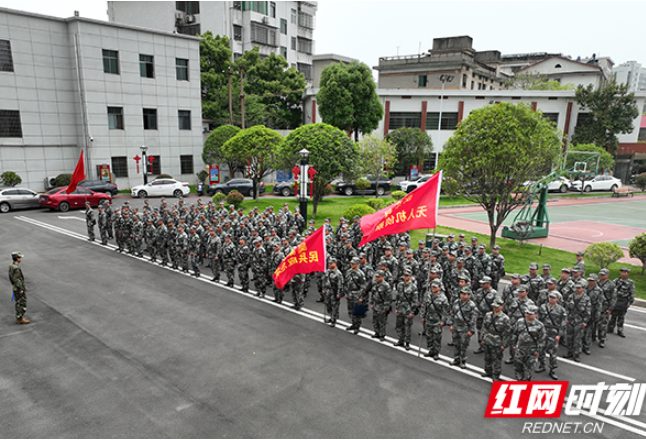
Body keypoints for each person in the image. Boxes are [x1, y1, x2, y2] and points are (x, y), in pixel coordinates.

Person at [537, 292, 567, 380]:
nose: (551, 299)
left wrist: (559, 335)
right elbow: (538, 319)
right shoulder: (543, 307)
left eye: (553, 297)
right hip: (543, 330)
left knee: (552, 352)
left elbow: (563, 323)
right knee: (541, 349)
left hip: (553, 332)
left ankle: (552, 370)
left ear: (558, 299)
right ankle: (542, 365)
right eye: (550, 297)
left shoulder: (561, 310)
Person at [512, 305, 546, 382]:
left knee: (529, 368)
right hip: (520, 348)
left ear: (535, 315)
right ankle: (520, 380)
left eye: (530, 314)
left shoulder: (539, 325)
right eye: (527, 313)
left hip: (532, 350)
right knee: (518, 366)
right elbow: (514, 334)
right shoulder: (520, 321)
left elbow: (542, 339)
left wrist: (538, 350)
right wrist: (513, 344)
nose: (528, 315)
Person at [480, 298, 510, 381]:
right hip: (488, 339)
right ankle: (488, 371)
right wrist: (482, 338)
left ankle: (496, 375)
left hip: (497, 342)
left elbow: (506, 333)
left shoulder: (505, 318)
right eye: (494, 306)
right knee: (487, 357)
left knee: (496, 359)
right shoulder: (488, 315)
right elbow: (484, 327)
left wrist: (504, 344)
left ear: (502, 307)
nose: (495, 308)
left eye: (497, 306)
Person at [421, 279, 450, 360]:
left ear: (439, 288)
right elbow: (424, 306)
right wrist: (422, 316)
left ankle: (436, 352)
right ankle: (430, 350)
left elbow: (445, 311)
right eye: (432, 286)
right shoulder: (427, 295)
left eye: (435, 287)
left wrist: (443, 321)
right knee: (429, 336)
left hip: (437, 319)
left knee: (436, 337)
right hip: (428, 318)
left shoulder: (443, 298)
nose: (433, 288)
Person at [449, 287, 478, 369]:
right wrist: (451, 324)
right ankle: (456, 358)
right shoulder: (456, 302)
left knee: (463, 345)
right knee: (456, 344)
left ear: (469, 295)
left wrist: (471, 330)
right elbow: (453, 314)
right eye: (462, 294)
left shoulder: (471, 305)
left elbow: (473, 319)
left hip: (465, 327)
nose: (463, 296)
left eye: (465, 294)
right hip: (456, 326)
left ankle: (463, 360)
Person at [565, 281, 592, 363]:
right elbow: (567, 308)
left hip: (579, 320)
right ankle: (570, 351)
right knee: (569, 337)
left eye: (579, 288)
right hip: (571, 319)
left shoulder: (586, 298)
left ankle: (576, 354)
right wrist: (566, 318)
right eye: (576, 288)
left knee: (578, 339)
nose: (577, 289)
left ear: (583, 288)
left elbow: (588, 311)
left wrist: (585, 321)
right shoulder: (571, 296)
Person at [394, 269, 419, 351]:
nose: (405, 277)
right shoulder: (400, 285)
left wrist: (412, 311)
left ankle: (407, 342)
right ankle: (400, 340)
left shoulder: (413, 287)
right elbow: (398, 297)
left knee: (407, 326)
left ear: (410, 276)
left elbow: (415, 301)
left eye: (407, 275)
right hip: (401, 307)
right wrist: (397, 307)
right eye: (404, 275)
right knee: (399, 325)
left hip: (408, 308)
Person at [609, 268, 636, 338]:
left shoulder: (630, 282)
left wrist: (630, 302)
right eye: (622, 272)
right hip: (615, 300)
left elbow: (632, 293)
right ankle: (610, 328)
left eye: (625, 272)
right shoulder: (616, 281)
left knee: (621, 316)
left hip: (623, 301)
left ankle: (620, 330)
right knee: (613, 315)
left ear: (628, 273)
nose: (623, 273)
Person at [345, 257, 367, 335]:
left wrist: (361, 297)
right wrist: (346, 293)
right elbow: (346, 283)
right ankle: (353, 324)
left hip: (357, 294)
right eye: (351, 263)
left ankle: (357, 326)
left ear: (357, 264)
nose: (352, 265)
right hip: (350, 293)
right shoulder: (348, 272)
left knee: (356, 311)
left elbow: (363, 286)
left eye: (353, 264)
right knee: (350, 310)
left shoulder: (360, 274)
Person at [596, 268, 617, 348]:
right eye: (600, 274)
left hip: (604, 307)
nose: (601, 276)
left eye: (603, 275)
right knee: (593, 324)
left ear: (607, 275)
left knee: (603, 325)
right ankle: (592, 337)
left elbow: (613, 298)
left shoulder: (611, 285)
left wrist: (610, 309)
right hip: (596, 306)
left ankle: (602, 339)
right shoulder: (596, 283)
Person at [370, 270, 393, 341]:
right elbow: (372, 294)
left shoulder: (386, 286)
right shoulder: (375, 284)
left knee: (381, 321)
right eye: (376, 277)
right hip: (376, 304)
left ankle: (382, 334)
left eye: (378, 277)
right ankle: (377, 332)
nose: (377, 278)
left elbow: (388, 298)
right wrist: (371, 303)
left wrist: (386, 308)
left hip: (382, 305)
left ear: (382, 277)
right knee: (375, 320)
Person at [323, 258, 344, 328]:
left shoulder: (338, 274)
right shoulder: (328, 271)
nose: (329, 264)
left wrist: (339, 293)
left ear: (335, 264)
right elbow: (325, 281)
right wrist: (324, 289)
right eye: (329, 263)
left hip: (334, 291)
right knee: (328, 304)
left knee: (334, 306)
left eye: (331, 263)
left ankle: (333, 320)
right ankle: (331, 316)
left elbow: (340, 285)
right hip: (328, 291)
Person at [9, 252, 29, 325]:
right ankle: (19, 318)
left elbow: (12, 277)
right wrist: (20, 289)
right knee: (21, 302)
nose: (21, 259)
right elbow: (17, 279)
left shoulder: (11, 266)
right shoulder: (16, 268)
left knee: (19, 302)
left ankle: (19, 317)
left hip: (15, 286)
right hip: (18, 288)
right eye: (20, 257)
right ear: (17, 258)